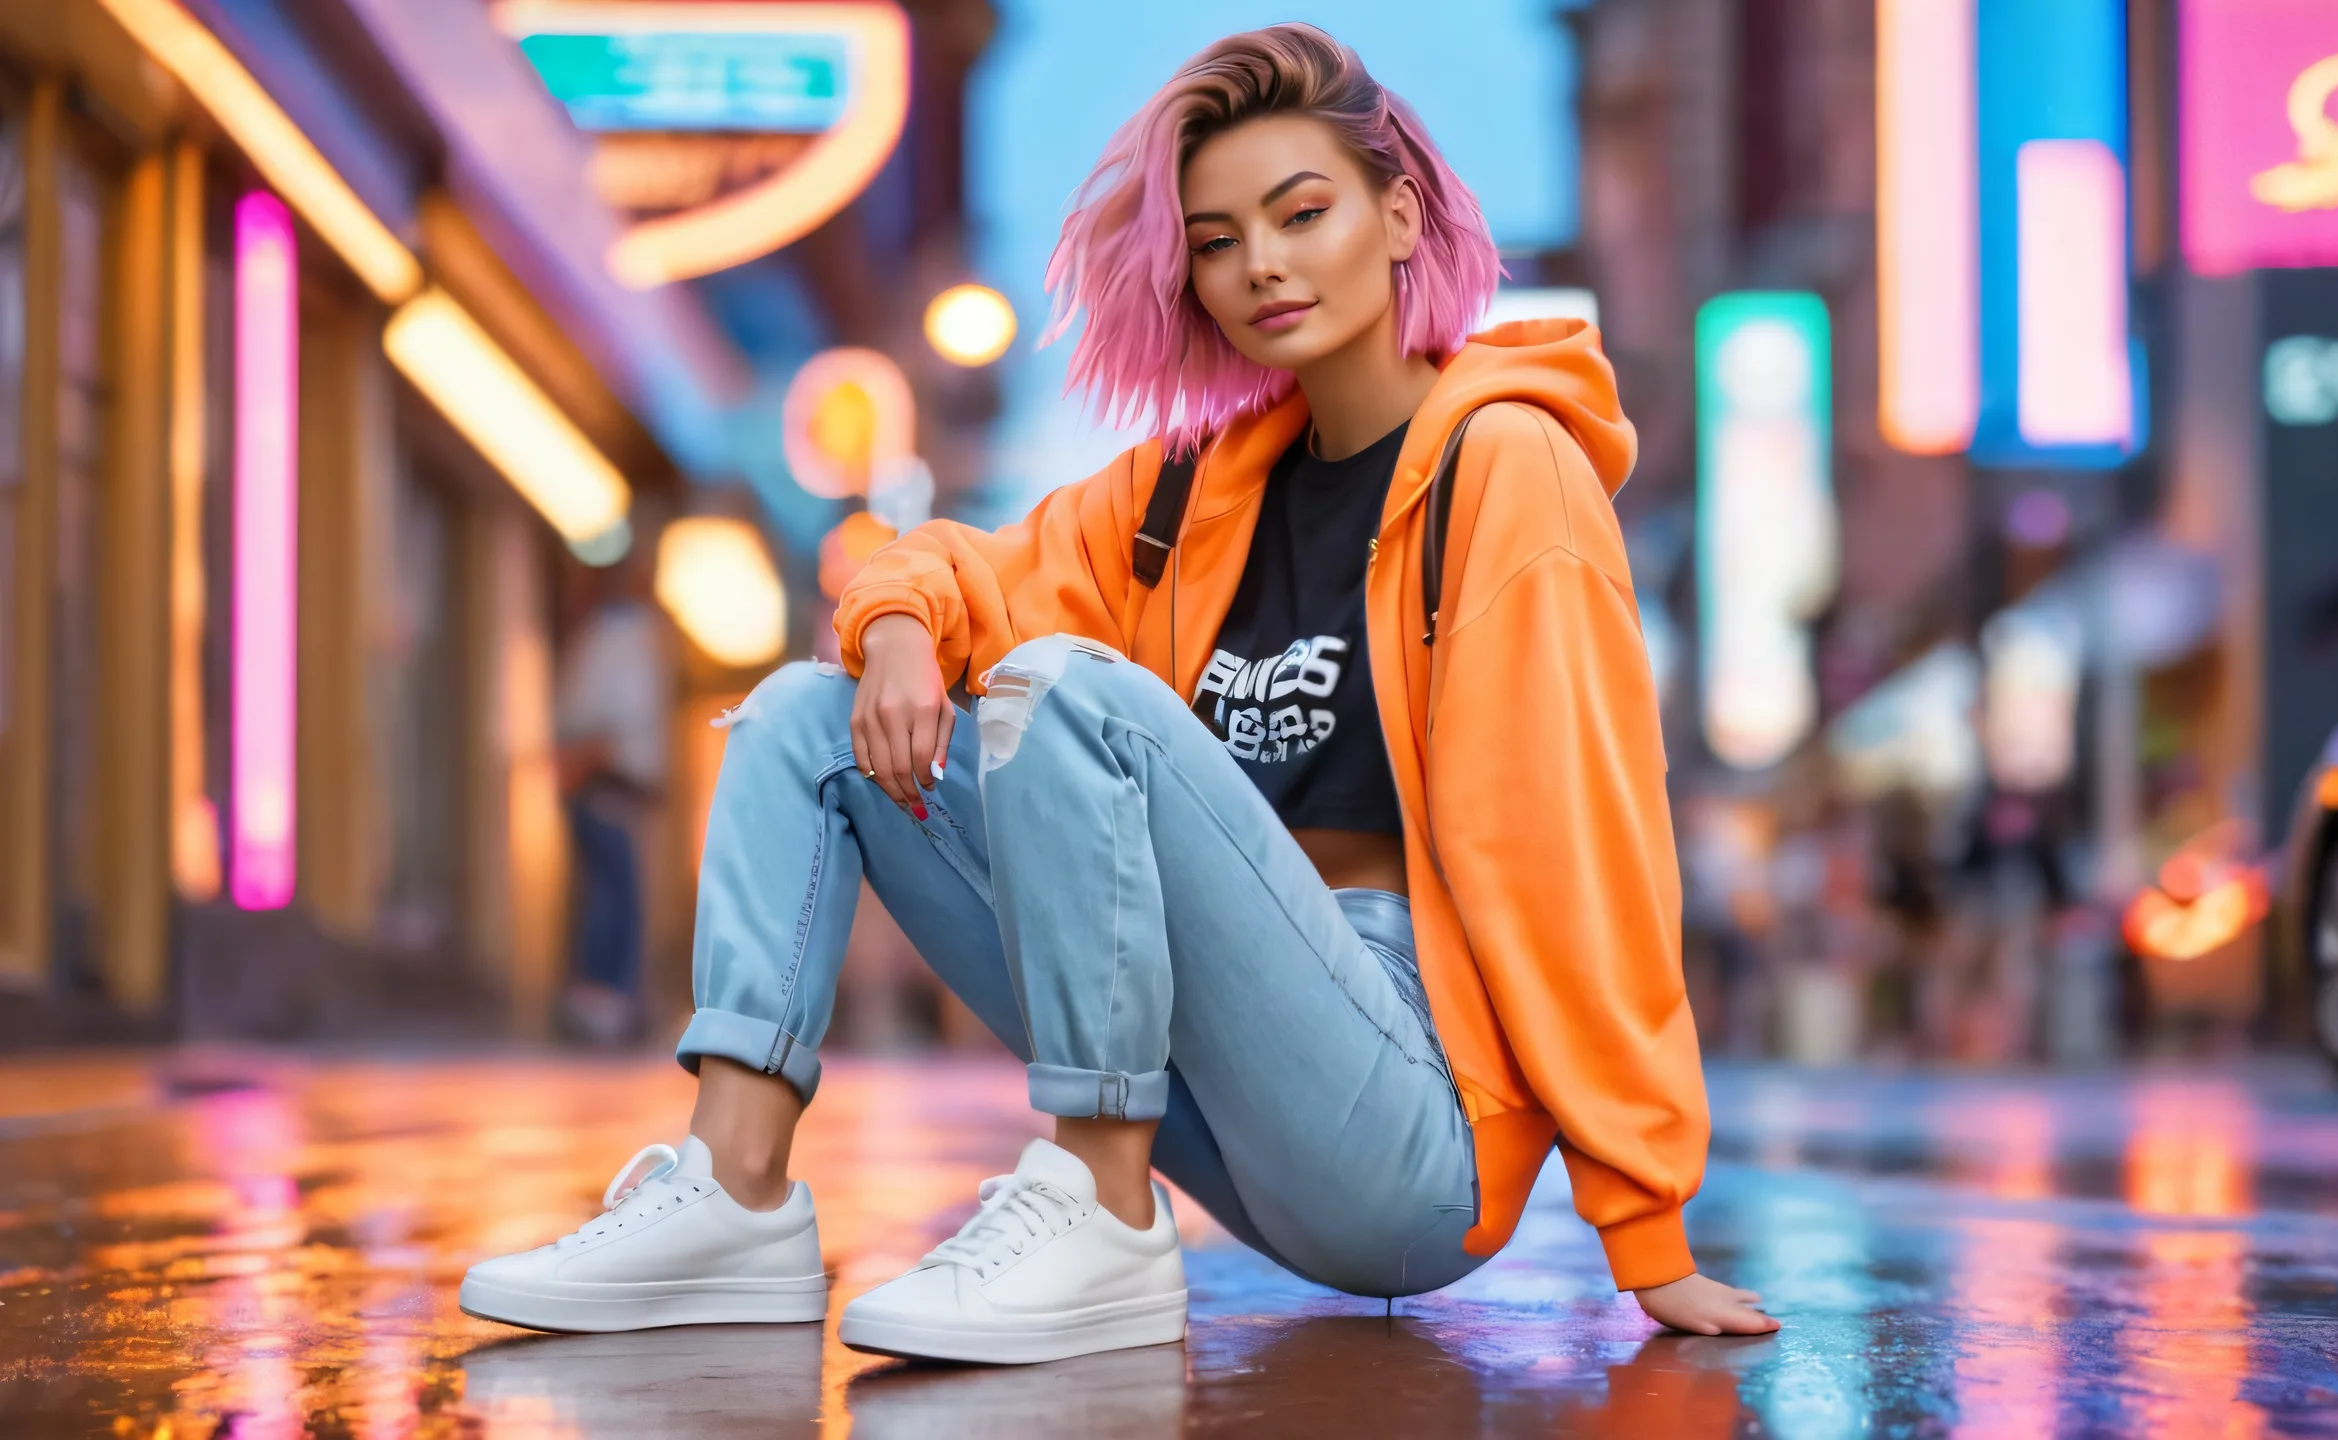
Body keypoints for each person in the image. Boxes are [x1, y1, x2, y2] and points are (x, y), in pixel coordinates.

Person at [460, 23, 1775, 1360]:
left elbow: (1577, 846)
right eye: (1215, 239)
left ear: (1400, 214)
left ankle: (1096, 1198)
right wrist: (904, 624)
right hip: (1224, 1088)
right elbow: (961, 564)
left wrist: (1646, 1228)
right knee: (811, 718)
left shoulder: (1504, 469)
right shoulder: (1188, 489)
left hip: (1410, 1127)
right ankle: (735, 1195)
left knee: (1066, 687)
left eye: (1302, 212)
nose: (1259, 262)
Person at [551, 549, 672, 1045]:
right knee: (614, 891)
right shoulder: (622, 637)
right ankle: (602, 995)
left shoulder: (606, 637)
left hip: (605, 779)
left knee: (611, 887)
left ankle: (607, 995)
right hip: (607, 782)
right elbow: (611, 719)